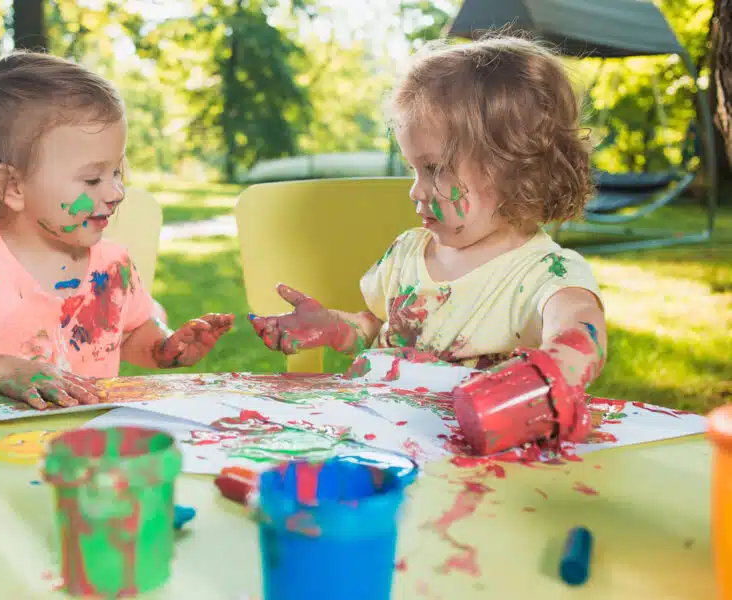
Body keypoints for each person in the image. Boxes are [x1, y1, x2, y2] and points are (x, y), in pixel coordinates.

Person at [248, 35, 607, 424]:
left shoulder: (543, 273)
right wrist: (333, 327)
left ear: (511, 169)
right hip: (376, 431)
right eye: (413, 169)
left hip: (471, 454)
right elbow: (379, 327)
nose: (415, 190)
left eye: (433, 169)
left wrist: (553, 369)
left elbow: (580, 329)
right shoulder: (408, 251)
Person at [0, 51, 234, 410]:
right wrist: (4, 371)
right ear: (12, 186)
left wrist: (167, 347)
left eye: (116, 173)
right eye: (92, 179)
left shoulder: (111, 264)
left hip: (91, 442)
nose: (116, 192)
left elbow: (131, 334)